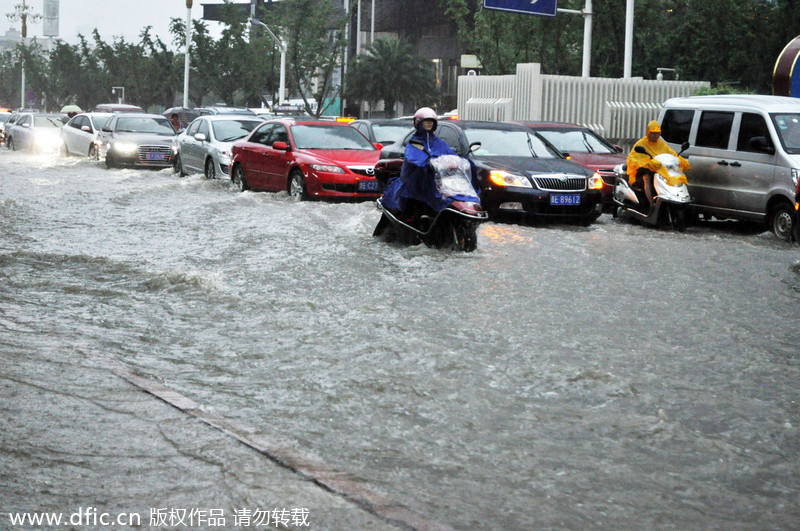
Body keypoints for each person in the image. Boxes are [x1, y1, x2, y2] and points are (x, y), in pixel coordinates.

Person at [381, 107, 459, 215]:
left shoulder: (438, 142)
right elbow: (413, 157)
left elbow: (450, 153)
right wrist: (427, 163)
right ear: (418, 123)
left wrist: (460, 162)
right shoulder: (414, 142)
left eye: (431, 122)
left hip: (437, 182)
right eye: (426, 121)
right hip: (417, 182)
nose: (429, 124)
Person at [627, 120, 690, 209]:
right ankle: (651, 203)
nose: (656, 135)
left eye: (658, 133)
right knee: (647, 178)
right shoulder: (641, 143)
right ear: (649, 132)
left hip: (659, 170)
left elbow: (672, 154)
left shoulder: (662, 144)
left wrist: (678, 160)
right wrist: (647, 163)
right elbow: (633, 159)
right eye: (653, 133)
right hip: (644, 170)